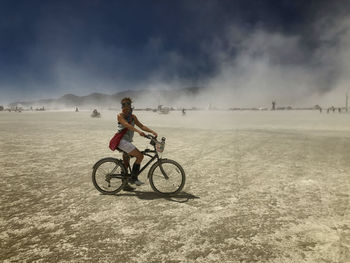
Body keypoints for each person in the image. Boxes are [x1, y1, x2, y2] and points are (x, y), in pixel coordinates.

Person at [117, 97, 158, 189]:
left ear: (130, 105)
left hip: (126, 142)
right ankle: (134, 178)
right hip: (122, 141)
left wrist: (152, 131)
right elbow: (127, 125)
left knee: (126, 164)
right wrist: (138, 131)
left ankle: (125, 185)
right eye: (123, 104)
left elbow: (141, 126)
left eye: (127, 104)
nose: (125, 106)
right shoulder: (120, 116)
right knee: (140, 156)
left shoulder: (133, 117)